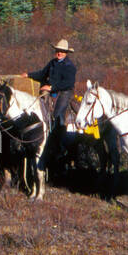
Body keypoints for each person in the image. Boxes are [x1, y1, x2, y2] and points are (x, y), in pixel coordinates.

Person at [27, 39, 77, 173]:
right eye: (57, 51)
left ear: (66, 53)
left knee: (57, 115)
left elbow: (68, 83)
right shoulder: (52, 63)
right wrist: (28, 75)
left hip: (64, 92)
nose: (59, 53)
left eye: (62, 51)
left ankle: (59, 143)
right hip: (51, 91)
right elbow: (42, 74)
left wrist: (51, 87)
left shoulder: (70, 66)